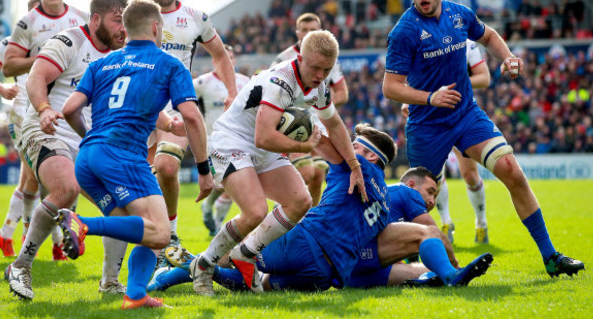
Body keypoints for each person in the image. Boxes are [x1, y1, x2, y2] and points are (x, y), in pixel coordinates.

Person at [382, 0, 584, 277]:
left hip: (466, 114)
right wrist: (429, 98)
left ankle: (551, 257)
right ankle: (405, 266)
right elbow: (390, 87)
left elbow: (488, 36)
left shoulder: (459, 14)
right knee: (418, 202)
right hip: (426, 126)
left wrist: (508, 57)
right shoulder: (404, 31)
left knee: (512, 171)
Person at [156, 125, 492, 292]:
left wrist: (280, 106)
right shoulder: (384, 198)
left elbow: (318, 136)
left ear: (370, 155)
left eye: (356, 146)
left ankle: (178, 271)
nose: (350, 147)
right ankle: (447, 275)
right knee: (261, 285)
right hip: (327, 272)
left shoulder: (354, 165)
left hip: (306, 241)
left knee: (233, 254)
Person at [57, 0, 214, 310]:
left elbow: (69, 109)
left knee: (144, 230)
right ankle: (82, 223)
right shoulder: (170, 64)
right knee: (161, 231)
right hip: (124, 157)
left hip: (87, 159)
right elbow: (194, 118)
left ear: (126, 30)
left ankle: (135, 296)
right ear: (157, 27)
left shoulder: (102, 64)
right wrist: (204, 169)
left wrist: (92, 140)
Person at [189, 30, 364, 296]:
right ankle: (203, 265)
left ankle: (246, 253)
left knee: (300, 201)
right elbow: (263, 137)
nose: (320, 75)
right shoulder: (280, 80)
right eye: (315, 68)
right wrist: (304, 147)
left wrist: (355, 166)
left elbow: (335, 124)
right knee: (255, 211)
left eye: (326, 70)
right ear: (301, 58)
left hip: (263, 147)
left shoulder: (319, 87)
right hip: (233, 140)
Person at [4, 0, 129, 301]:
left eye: (125, 22)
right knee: (68, 188)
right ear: (96, 18)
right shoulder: (70, 39)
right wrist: (45, 109)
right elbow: (36, 77)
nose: (122, 29)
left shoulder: (121, 56)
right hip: (45, 130)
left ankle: (110, 282)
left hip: (86, 141)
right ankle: (21, 266)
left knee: (123, 206)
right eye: (117, 21)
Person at [146, 0, 237, 250]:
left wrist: (232, 90)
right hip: (137, 106)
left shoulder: (195, 17)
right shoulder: (133, 16)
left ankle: (170, 236)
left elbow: (220, 55)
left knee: (168, 168)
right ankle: (139, 256)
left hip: (174, 102)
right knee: (142, 185)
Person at [2, 0, 89, 260]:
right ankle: (37, 238)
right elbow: (8, 67)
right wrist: (44, 58)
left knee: (72, 179)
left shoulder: (80, 17)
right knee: (44, 179)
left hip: (76, 107)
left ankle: (59, 236)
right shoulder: (28, 22)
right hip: (38, 110)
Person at [402, 40, 490, 244]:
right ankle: (446, 222)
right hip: (430, 120)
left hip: (461, 118)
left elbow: (484, 78)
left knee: (469, 175)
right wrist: (409, 102)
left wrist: (455, 81)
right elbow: (415, 82)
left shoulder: (467, 44)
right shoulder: (422, 44)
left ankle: (481, 223)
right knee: (434, 178)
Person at [0, 0, 41, 257]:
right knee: (34, 175)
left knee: (31, 177)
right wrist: (2, 88)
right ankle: (31, 238)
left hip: (43, 111)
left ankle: (7, 234)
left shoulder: (58, 42)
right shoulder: (9, 43)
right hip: (20, 111)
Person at [272, 12, 349, 205]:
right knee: (306, 172)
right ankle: (281, 209)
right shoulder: (283, 58)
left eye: (313, 30)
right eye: (304, 30)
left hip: (318, 123)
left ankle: (309, 221)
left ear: (321, 32)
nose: (308, 34)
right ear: (297, 32)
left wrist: (322, 106)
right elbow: (272, 92)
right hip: (293, 121)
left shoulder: (330, 60)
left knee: (318, 176)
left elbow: (342, 93)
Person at [195, 44, 250, 236]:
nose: (229, 60)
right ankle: (210, 206)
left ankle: (217, 223)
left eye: (232, 57)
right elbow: (184, 103)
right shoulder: (203, 82)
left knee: (232, 184)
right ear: (215, 60)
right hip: (213, 142)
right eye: (225, 57)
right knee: (224, 184)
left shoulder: (246, 82)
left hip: (240, 141)